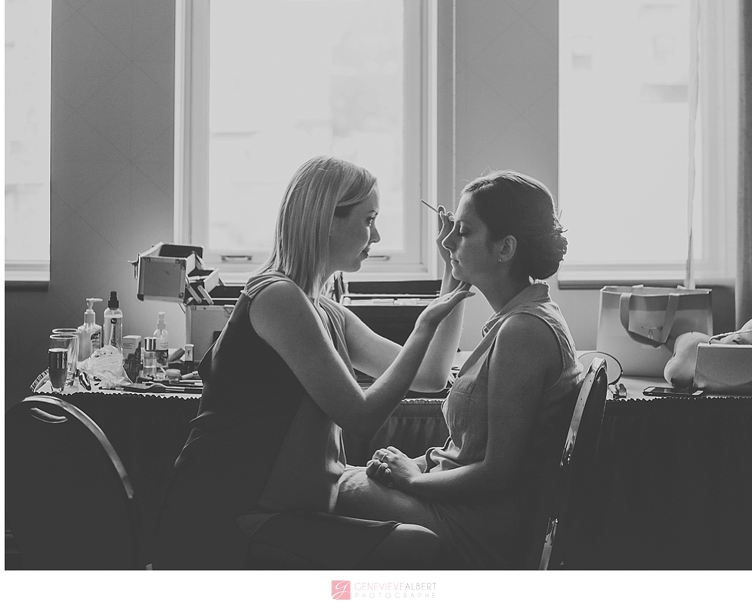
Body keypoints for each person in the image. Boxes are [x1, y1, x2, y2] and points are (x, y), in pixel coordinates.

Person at [153, 155, 473, 570]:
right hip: (228, 518)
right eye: (368, 219)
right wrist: (423, 325)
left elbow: (430, 376)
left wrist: (454, 270)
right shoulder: (277, 297)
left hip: (286, 514)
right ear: (326, 220)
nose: (376, 235)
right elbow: (360, 416)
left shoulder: (325, 309)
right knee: (422, 547)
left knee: (424, 542)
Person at [335, 170, 583, 569]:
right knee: (339, 480)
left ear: (505, 249)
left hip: (479, 525)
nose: (447, 240)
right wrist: (412, 465)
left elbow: (496, 474)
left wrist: (413, 479)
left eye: (463, 231)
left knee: (328, 487)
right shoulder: (518, 318)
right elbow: (465, 450)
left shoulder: (523, 332)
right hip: (467, 506)